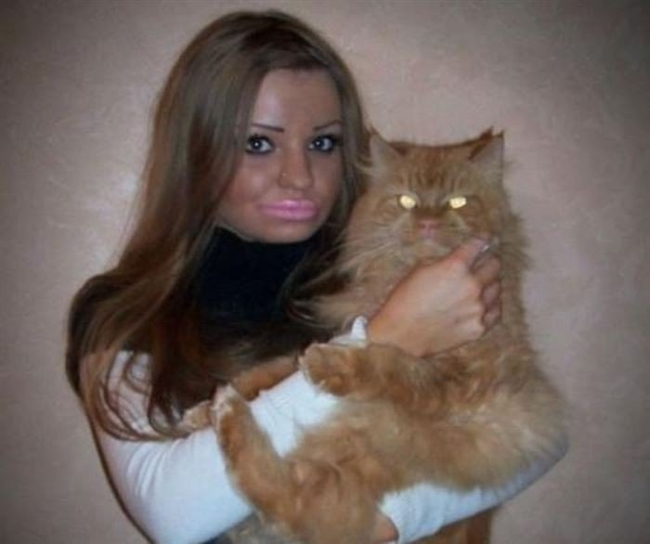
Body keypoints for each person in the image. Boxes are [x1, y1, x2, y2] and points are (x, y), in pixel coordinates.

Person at [66, 10, 566, 544]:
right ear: (197, 151)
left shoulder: (387, 266)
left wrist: (384, 521)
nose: (298, 176)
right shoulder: (123, 311)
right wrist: (383, 340)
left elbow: (537, 436)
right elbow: (171, 515)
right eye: (258, 143)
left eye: (323, 144)